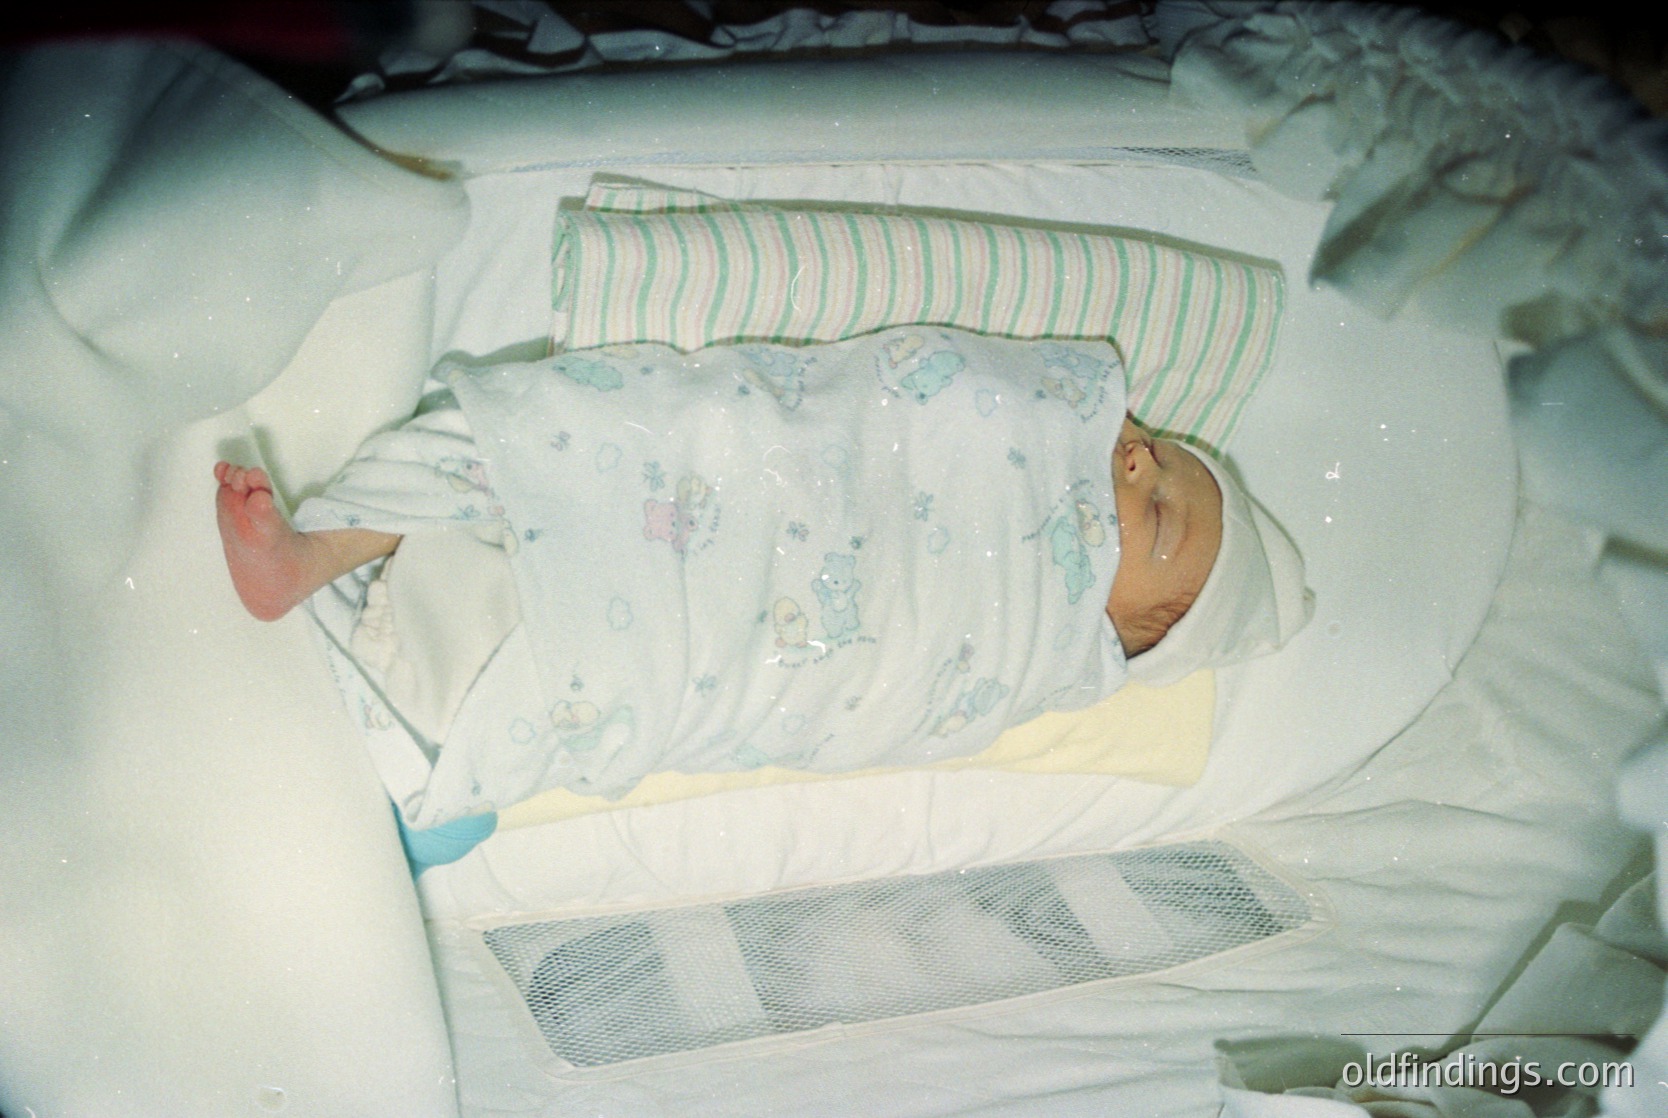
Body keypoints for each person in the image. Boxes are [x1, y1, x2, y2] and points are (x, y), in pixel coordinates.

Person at [214, 328, 1310, 801]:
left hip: (690, 635)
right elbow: (888, 414)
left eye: (1156, 513)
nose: (1133, 459)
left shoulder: (1023, 655)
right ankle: (314, 554)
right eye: (1157, 454)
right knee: (542, 429)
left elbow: (878, 690)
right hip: (708, 492)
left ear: (1136, 633)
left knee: (616, 663)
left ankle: (427, 670)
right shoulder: (1026, 449)